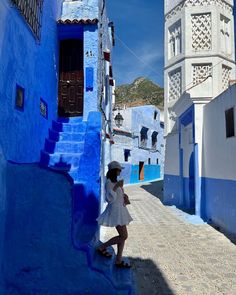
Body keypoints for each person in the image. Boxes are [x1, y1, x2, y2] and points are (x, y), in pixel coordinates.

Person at [96, 161, 133, 268]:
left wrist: (124, 196)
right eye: (119, 169)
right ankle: (102, 247)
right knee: (124, 236)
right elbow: (109, 198)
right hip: (115, 212)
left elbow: (117, 197)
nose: (120, 171)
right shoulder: (109, 183)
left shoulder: (115, 182)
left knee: (123, 236)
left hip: (120, 211)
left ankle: (118, 260)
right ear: (114, 170)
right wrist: (117, 186)